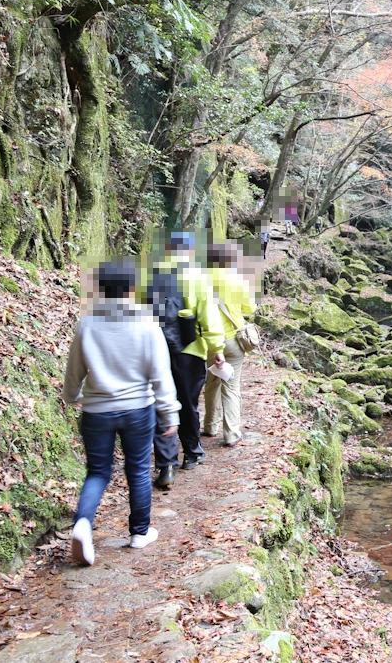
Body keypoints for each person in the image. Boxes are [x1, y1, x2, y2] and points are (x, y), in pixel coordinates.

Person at [64, 261, 180, 566]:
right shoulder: (146, 322)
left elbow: (74, 370)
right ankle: (139, 532)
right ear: (131, 287)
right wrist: (170, 412)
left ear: (101, 287)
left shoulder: (87, 323)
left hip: (96, 410)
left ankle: (83, 524)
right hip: (138, 409)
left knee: (99, 472)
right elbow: (160, 374)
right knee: (139, 469)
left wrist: (70, 395)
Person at [148, 232, 225, 490]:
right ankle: (192, 452)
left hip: (157, 351)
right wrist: (217, 349)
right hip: (189, 352)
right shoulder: (197, 278)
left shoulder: (151, 275)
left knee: (162, 403)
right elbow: (209, 320)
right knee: (188, 403)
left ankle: (166, 464)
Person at [203, 243, 256, 447]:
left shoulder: (202, 280)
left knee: (212, 383)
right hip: (233, 341)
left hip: (210, 341)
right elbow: (250, 308)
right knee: (231, 387)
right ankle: (232, 434)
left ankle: (209, 426)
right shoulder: (237, 280)